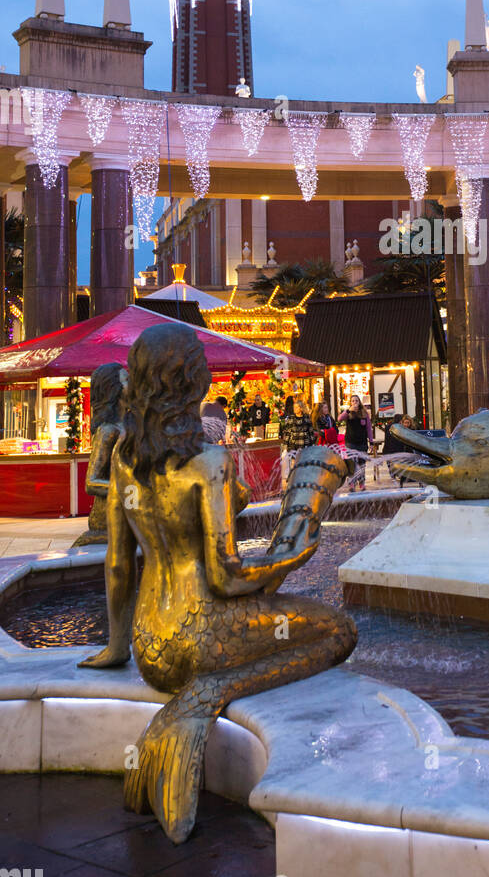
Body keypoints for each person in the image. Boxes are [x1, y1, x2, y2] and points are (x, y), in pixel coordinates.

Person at [78, 321, 356, 844]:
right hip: (203, 638)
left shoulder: (123, 457)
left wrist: (117, 649)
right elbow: (227, 579)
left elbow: (118, 563)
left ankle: (195, 687)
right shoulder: (209, 462)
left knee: (272, 605)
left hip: (150, 645)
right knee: (339, 630)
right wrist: (293, 553)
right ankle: (207, 695)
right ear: (191, 382)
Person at [74, 362, 127, 547]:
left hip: (128, 509)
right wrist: (129, 488)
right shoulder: (108, 430)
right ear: (114, 389)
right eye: (127, 380)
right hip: (108, 516)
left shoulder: (128, 425)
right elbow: (91, 482)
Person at [339, 393, 373, 491]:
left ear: (359, 402)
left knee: (362, 464)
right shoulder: (348, 413)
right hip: (350, 442)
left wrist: (371, 442)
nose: (355, 402)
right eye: (353, 401)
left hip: (362, 443)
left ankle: (362, 483)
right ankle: (352, 483)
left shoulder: (364, 413)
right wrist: (348, 410)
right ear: (350, 403)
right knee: (352, 464)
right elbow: (339, 419)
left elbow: (369, 429)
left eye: (356, 401)